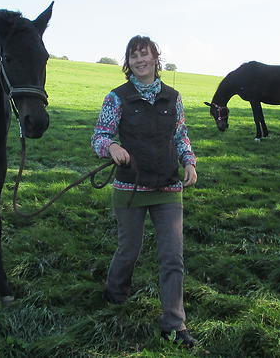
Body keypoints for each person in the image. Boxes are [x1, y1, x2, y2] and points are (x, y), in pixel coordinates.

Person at [91, 35, 199, 348]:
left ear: (155, 59)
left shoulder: (172, 97)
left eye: (145, 55)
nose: (140, 60)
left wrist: (189, 163)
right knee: (129, 250)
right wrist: (111, 146)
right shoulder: (116, 97)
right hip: (129, 187)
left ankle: (174, 325)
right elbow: (100, 135)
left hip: (168, 186)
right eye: (134, 55)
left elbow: (181, 136)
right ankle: (115, 294)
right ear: (128, 62)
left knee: (172, 257)